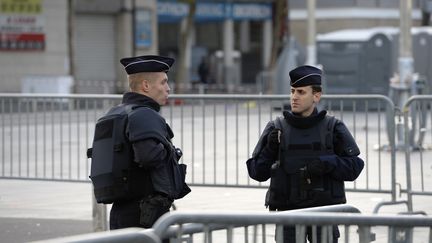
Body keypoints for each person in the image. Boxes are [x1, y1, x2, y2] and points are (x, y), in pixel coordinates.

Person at [246, 65, 364, 243]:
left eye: (301, 92)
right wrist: (270, 149)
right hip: (289, 216)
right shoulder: (276, 127)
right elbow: (256, 172)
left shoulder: (332, 128)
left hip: (324, 215)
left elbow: (355, 167)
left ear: (316, 96)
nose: (294, 97)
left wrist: (328, 163)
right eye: (292, 91)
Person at [109, 55, 191, 230]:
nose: (168, 88)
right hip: (145, 213)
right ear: (146, 85)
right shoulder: (144, 114)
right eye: (163, 82)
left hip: (123, 209)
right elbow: (148, 157)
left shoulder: (117, 112)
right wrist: (170, 151)